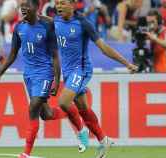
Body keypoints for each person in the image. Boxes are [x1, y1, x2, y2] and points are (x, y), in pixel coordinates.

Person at [0, 0, 89, 157]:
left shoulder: (46, 26)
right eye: (21, 6)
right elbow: (12, 54)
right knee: (46, 114)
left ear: (36, 8)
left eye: (27, 6)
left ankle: (26, 153)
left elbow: (55, 56)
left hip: (44, 73)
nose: (23, 9)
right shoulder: (19, 28)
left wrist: (57, 80)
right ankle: (74, 115)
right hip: (28, 75)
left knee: (33, 107)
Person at [52, 0, 138, 157]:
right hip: (68, 71)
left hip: (82, 69)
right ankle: (103, 140)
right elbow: (44, 21)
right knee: (84, 109)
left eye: (63, 3)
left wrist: (126, 63)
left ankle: (81, 131)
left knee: (63, 102)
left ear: (72, 4)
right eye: (57, 3)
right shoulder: (56, 19)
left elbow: (103, 47)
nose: (59, 6)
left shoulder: (83, 23)